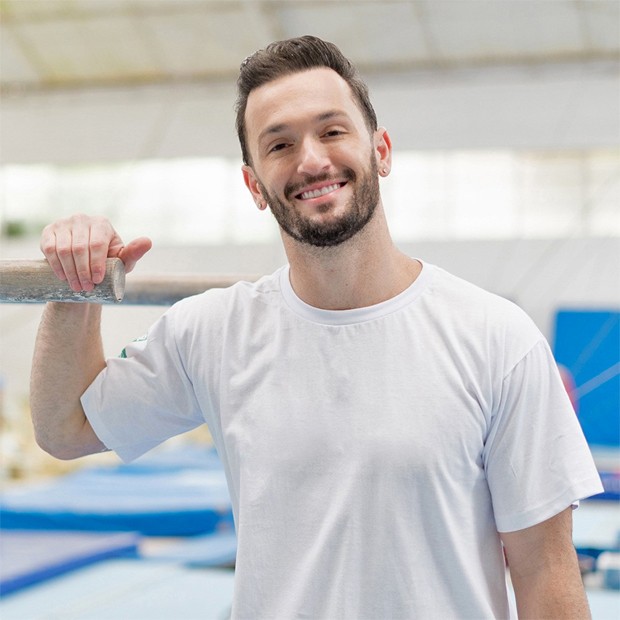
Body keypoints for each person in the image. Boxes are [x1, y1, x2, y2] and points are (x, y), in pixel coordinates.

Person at [31, 36, 603, 619]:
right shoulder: (213, 331)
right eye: (280, 144)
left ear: (380, 150)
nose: (310, 160)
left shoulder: (496, 339)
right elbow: (66, 427)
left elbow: (546, 576)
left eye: (332, 131)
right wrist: (74, 286)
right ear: (255, 186)